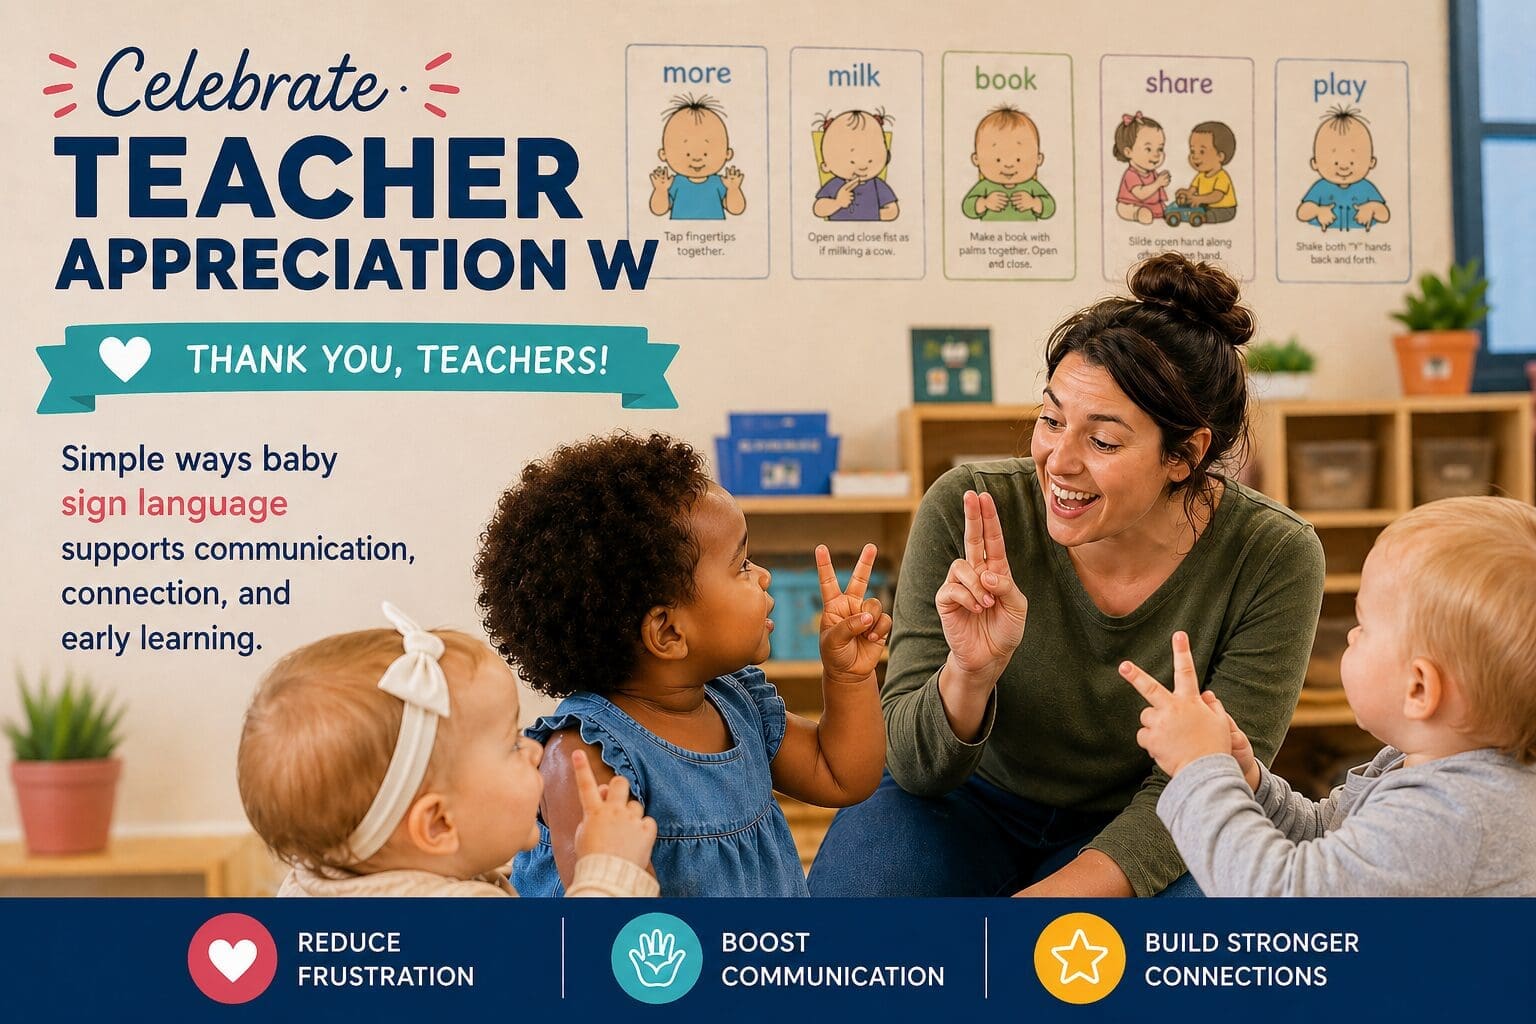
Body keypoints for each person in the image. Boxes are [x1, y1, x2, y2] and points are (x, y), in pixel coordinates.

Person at [809, 252, 1326, 898]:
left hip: (1148, 815)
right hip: (962, 804)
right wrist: (969, 673)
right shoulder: (968, 508)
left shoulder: (1273, 555)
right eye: (1051, 420)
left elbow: (1204, 784)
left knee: (1219, 918)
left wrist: (1031, 911)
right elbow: (913, 768)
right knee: (860, 911)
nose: (1059, 461)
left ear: (1185, 455)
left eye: (1102, 442)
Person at [475, 432, 888, 897]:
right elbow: (615, 927)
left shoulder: (734, 699)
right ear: (669, 634)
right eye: (742, 565)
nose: (764, 575)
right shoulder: (584, 760)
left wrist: (849, 675)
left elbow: (841, 774)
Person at [1124, 497, 1536, 895]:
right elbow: (1331, 842)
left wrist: (1200, 769)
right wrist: (1247, 779)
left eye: (1364, 625)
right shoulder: (1420, 765)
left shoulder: (1447, 818)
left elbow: (1283, 900)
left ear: (1419, 689)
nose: (1352, 635)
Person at [237, 603, 659, 897]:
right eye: (511, 745)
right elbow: (570, 979)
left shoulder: (315, 885)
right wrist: (608, 871)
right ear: (438, 824)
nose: (533, 749)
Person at [649, 94, 746, 220]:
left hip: (718, 235)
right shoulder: (673, 183)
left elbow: (736, 210)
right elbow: (659, 210)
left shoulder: (719, 183)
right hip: (678, 236)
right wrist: (660, 190)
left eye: (705, 154)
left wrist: (734, 189)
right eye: (687, 154)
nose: (697, 159)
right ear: (664, 154)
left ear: (727, 153)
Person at [1296, 105, 1389, 231]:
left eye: (1352, 162)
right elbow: (1301, 213)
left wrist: (1371, 208)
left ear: (1371, 162)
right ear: (1315, 163)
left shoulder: (1366, 187)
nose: (1344, 167)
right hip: (1320, 245)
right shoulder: (1320, 187)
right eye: (1335, 163)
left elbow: (1385, 215)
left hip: (1364, 244)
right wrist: (1317, 211)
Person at [962, 105, 1055, 222]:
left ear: (1038, 159)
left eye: (1018, 159)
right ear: (976, 159)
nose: (1008, 165)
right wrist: (984, 203)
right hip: (989, 236)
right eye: (998, 160)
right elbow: (967, 208)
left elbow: (1050, 208)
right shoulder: (984, 186)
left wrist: (1034, 203)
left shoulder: (1032, 186)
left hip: (1029, 236)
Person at [813, 110, 900, 221]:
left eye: (870, 160)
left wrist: (869, 215)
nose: (862, 166)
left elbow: (893, 211)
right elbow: (818, 209)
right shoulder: (835, 185)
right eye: (852, 161)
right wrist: (837, 203)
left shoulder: (877, 185)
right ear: (826, 165)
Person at [1173, 121, 1238, 223]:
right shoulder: (1200, 176)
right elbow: (1192, 190)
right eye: (1192, 151)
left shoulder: (1221, 176)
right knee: (1191, 207)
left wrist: (1198, 199)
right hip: (1206, 205)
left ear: (1220, 156)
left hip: (1224, 209)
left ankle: (1202, 218)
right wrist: (1187, 194)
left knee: (1207, 215)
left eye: (1202, 152)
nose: (1195, 156)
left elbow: (1216, 196)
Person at [1113, 112, 1171, 223]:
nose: (1157, 154)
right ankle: (1137, 214)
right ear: (1129, 152)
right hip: (1133, 204)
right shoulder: (1131, 174)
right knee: (1123, 208)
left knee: (1166, 209)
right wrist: (1158, 183)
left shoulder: (1152, 173)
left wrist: (1162, 182)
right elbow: (1140, 193)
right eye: (1148, 149)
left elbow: (1156, 191)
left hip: (1151, 205)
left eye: (1160, 149)